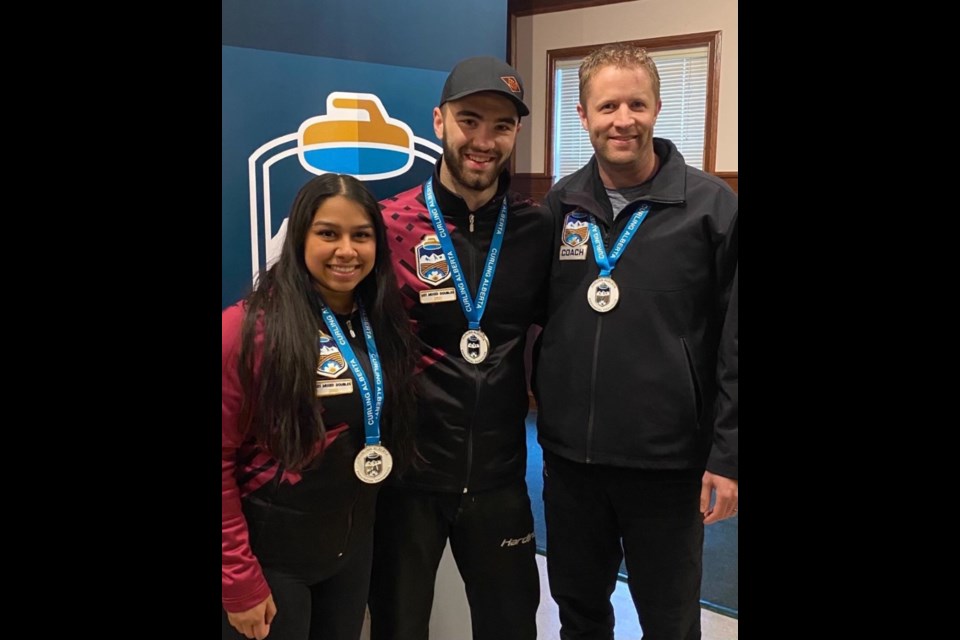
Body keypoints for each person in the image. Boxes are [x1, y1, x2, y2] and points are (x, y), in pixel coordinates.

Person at [533, 42, 738, 640]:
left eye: (636, 104)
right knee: (579, 610)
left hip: (668, 463)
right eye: (607, 106)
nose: (622, 119)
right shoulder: (560, 204)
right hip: (571, 461)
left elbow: (734, 342)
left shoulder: (711, 207)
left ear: (656, 108)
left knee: (669, 619)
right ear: (582, 115)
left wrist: (727, 457)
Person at [367, 56, 553, 640]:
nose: (483, 140)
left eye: (501, 126)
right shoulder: (386, 222)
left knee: (511, 628)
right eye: (469, 120)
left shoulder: (537, 228)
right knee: (399, 628)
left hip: (500, 479)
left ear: (516, 134)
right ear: (438, 121)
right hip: (407, 481)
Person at [221, 173, 418, 640]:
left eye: (361, 236)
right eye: (328, 233)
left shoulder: (383, 325)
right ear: (299, 238)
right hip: (270, 564)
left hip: (349, 554)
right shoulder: (245, 329)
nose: (346, 250)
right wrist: (239, 582)